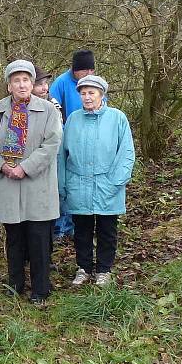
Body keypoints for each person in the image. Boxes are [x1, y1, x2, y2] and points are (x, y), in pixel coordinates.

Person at [0, 60, 62, 305]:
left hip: (38, 183)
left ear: (32, 82)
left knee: (38, 238)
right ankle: (15, 284)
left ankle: (40, 289)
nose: (22, 84)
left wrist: (25, 168)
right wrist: (2, 166)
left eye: (26, 79)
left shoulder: (48, 110)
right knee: (14, 237)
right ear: (9, 86)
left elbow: (51, 144)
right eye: (16, 80)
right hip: (8, 182)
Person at [58, 75, 135, 286]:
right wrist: (63, 184)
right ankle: (83, 268)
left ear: (102, 94)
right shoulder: (73, 119)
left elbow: (126, 152)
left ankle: (104, 269)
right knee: (81, 230)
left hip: (107, 185)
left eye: (91, 93)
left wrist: (115, 182)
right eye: (83, 93)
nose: (87, 97)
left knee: (107, 230)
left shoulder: (117, 118)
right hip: (78, 185)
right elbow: (62, 155)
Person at [49, 49, 96, 240]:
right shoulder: (60, 83)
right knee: (62, 186)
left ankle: (75, 225)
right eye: (83, 71)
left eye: (91, 70)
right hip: (64, 141)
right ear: (74, 70)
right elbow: (52, 109)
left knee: (79, 185)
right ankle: (60, 227)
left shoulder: (94, 85)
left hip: (88, 142)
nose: (87, 75)